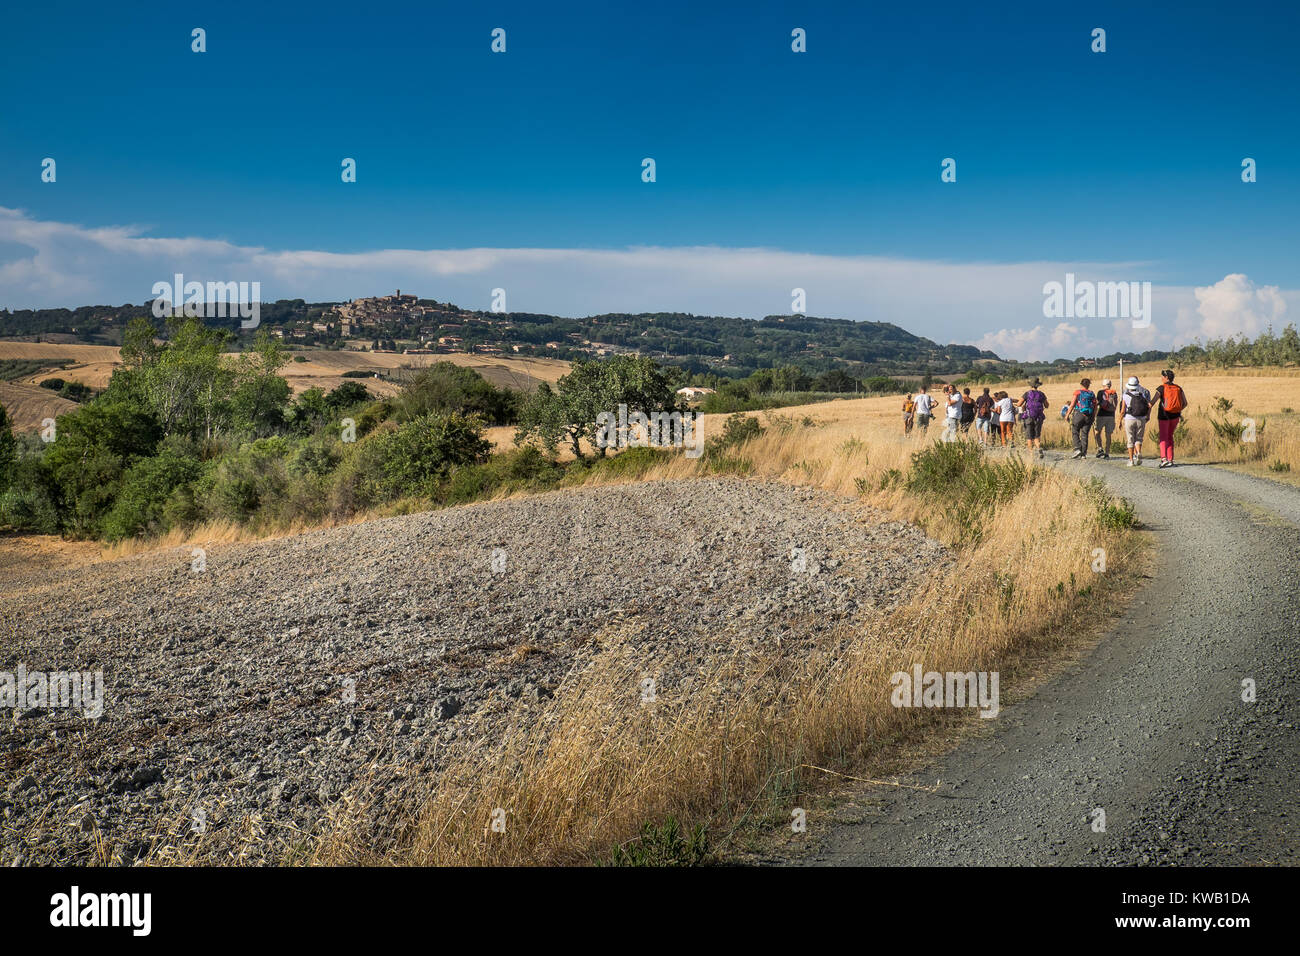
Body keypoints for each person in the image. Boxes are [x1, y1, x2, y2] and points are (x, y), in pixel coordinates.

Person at [1151, 369, 1188, 467]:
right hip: (1175, 416)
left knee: (1163, 437)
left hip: (1164, 415)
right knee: (1170, 436)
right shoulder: (1178, 388)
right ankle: (1170, 459)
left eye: (1162, 376)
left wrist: (1147, 407)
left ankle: (1163, 459)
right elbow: (1185, 403)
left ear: (1166, 377)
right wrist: (1178, 410)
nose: (1161, 378)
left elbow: (1153, 401)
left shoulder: (1161, 388)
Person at [1120, 376, 1151, 467]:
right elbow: (1149, 406)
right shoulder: (1143, 395)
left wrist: (1119, 421)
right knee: (1139, 438)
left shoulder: (1125, 396)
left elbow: (1122, 411)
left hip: (1129, 419)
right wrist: (1147, 416)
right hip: (1141, 419)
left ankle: (1131, 460)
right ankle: (1138, 453)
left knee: (1130, 439)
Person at [1063, 377, 1097, 459]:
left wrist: (1067, 415)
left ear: (1081, 384)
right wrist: (1093, 417)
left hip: (1079, 414)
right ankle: (1083, 454)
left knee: (1075, 430)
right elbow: (1095, 407)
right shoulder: (1092, 394)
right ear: (1088, 385)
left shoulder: (1077, 392)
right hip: (1089, 415)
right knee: (1085, 434)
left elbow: (1072, 405)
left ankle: (1077, 449)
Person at [1016, 378, 1049, 459]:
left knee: (1029, 436)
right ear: (1038, 385)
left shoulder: (1027, 394)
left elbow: (1019, 404)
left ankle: (1031, 454)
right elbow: (1047, 405)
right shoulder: (1041, 394)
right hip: (1039, 417)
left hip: (1029, 417)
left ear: (1030, 385)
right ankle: (1039, 447)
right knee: (1037, 435)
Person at [1092, 379, 1118, 460]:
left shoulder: (1100, 392)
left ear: (1103, 385)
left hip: (1101, 415)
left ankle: (1100, 448)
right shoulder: (1114, 393)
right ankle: (1107, 453)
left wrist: (1093, 414)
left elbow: (1097, 403)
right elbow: (1115, 405)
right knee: (1108, 435)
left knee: (1097, 432)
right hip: (1111, 416)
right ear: (1110, 385)